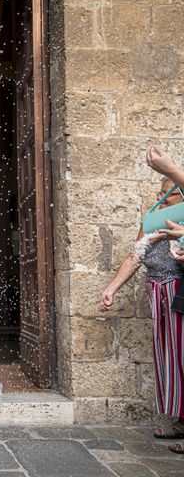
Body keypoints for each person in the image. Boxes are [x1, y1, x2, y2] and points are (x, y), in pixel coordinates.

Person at [99, 175, 184, 453]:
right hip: (157, 292)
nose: (162, 200)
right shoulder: (152, 219)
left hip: (179, 290)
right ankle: (180, 420)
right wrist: (111, 288)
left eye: (169, 194)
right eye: (161, 193)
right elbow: (135, 256)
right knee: (168, 358)